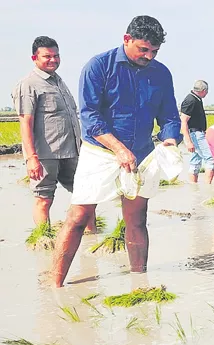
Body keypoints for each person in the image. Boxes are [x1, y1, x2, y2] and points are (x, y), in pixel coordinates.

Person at [51, 15, 182, 287]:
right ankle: (55, 286)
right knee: (78, 217)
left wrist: (170, 140)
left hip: (142, 154)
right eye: (143, 49)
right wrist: (119, 149)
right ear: (126, 39)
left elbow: (169, 115)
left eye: (154, 51)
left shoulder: (161, 73)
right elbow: (89, 116)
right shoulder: (99, 67)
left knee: (137, 219)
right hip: (100, 152)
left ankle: (140, 284)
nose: (149, 56)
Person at [12, 36, 95, 232]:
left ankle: (91, 235)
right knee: (44, 198)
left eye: (56, 56)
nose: (53, 60)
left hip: (72, 151)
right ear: (35, 58)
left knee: (87, 195)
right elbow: (25, 122)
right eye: (47, 56)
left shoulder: (59, 82)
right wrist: (31, 158)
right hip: (46, 155)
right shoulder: (29, 84)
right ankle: (44, 238)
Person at [180, 80, 214, 183]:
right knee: (210, 158)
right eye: (207, 91)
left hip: (197, 133)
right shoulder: (191, 100)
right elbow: (183, 121)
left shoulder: (196, 99)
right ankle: (208, 186)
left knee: (195, 160)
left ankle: (193, 187)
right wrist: (188, 141)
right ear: (203, 90)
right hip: (194, 134)